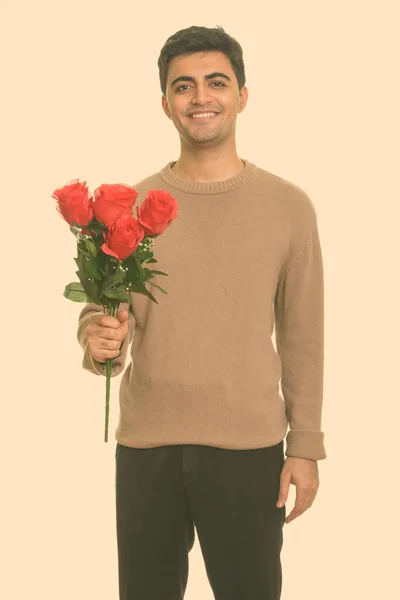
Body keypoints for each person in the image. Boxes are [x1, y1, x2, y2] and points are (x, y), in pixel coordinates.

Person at [77, 25, 326, 600]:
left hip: (249, 448)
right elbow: (103, 317)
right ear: (165, 103)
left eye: (216, 81)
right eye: (183, 86)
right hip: (147, 446)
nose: (200, 97)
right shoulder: (127, 208)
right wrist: (97, 340)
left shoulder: (289, 208)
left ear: (243, 93)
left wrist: (306, 446)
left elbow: (302, 334)